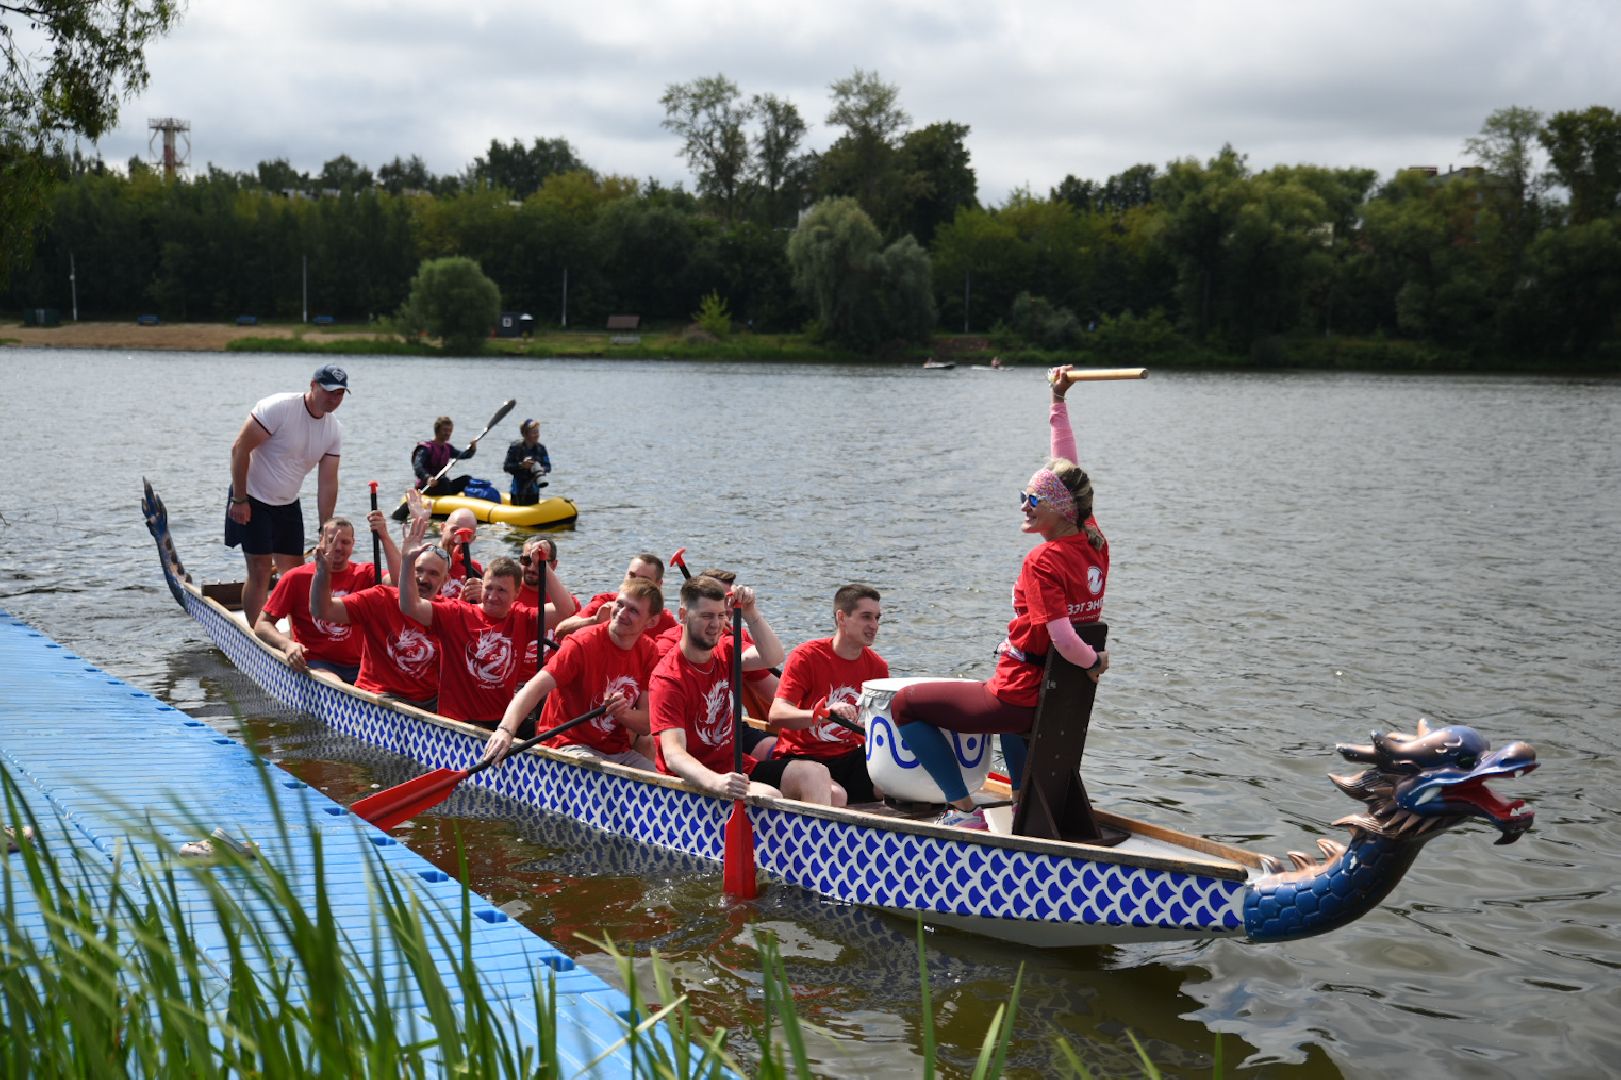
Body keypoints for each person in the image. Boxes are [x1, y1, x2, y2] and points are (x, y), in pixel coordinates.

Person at [890, 364, 1111, 829]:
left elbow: (1062, 636)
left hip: (1019, 695)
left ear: (1060, 509)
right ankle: (1020, 807)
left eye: (1032, 500)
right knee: (1011, 720)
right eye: (1023, 495)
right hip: (1052, 693)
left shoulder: (1043, 560)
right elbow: (1068, 468)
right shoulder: (1093, 539)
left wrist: (1093, 661)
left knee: (904, 705)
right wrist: (1058, 401)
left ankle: (962, 810)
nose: (1024, 506)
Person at [649, 576, 841, 805]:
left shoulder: (727, 651)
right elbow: (674, 754)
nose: (715, 624)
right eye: (706, 616)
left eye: (721, 615)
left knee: (816, 774)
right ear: (683, 615)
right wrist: (715, 782)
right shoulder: (668, 679)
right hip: (689, 783)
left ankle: (807, 829)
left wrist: (751, 613)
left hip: (734, 768)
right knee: (770, 796)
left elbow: (773, 656)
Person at [481, 577, 665, 769]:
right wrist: (505, 731)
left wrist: (624, 713)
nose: (621, 613)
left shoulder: (648, 651)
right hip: (565, 744)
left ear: (652, 621)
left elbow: (646, 725)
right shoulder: (582, 643)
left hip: (616, 751)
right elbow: (533, 689)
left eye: (633, 610)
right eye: (619, 604)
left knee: (656, 779)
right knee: (596, 771)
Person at [398, 533, 576, 725]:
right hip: (459, 723)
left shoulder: (522, 618)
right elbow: (410, 607)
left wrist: (543, 565)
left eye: (501, 590)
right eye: (489, 588)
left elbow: (566, 610)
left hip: (502, 719)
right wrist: (407, 561)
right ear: (481, 587)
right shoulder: (456, 613)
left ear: (517, 593)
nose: (492, 596)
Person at [226, 364, 349, 627]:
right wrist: (239, 498)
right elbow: (239, 449)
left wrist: (325, 528)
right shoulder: (279, 408)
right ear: (313, 385)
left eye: (339, 393)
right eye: (329, 391)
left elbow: (328, 482)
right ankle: (257, 634)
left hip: (287, 503)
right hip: (251, 496)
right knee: (260, 570)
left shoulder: (334, 430)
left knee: (296, 573)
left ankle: (299, 633)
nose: (334, 398)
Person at [309, 512, 448, 709]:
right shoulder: (379, 598)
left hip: (430, 701)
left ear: (445, 580)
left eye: (433, 574)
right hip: (379, 699)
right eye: (417, 570)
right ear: (407, 569)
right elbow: (322, 610)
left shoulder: (450, 610)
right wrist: (322, 573)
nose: (423, 579)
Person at [769, 584, 890, 805]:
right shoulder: (806, 656)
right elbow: (776, 714)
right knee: (836, 795)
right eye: (866, 617)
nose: (874, 625)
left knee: (900, 779)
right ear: (842, 617)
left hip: (848, 756)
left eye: (877, 618)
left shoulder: (878, 667)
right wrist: (823, 714)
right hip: (803, 756)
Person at [251, 514, 397, 682]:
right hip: (317, 661)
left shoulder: (366, 573)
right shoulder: (295, 577)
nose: (338, 547)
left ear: (353, 544)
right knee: (334, 683)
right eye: (331, 540)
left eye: (345, 542)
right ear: (320, 542)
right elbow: (262, 624)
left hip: (362, 662)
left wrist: (385, 537)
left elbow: (399, 582)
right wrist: (286, 645)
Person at [554, 553, 676, 640]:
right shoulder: (605, 603)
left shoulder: (665, 620)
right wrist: (594, 621)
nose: (635, 582)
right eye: (632, 575)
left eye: (643, 580)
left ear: (659, 584)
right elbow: (560, 631)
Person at [412, 416, 478, 495]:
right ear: (437, 430)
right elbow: (418, 467)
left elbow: (464, 455)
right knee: (444, 482)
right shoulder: (425, 448)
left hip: (442, 484)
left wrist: (472, 449)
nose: (448, 433)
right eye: (445, 430)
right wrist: (428, 478)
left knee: (466, 479)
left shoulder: (448, 448)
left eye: (450, 430)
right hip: (426, 486)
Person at [435, 507, 483, 601]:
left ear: (472, 539)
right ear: (442, 528)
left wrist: (482, 597)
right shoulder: (422, 561)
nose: (458, 539)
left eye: (467, 535)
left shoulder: (475, 569)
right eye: (454, 530)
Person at [503, 418, 551, 505]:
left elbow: (548, 467)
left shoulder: (541, 448)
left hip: (534, 491)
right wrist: (522, 465)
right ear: (525, 434)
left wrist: (539, 468)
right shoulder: (515, 447)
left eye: (537, 432)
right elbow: (506, 467)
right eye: (534, 432)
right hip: (518, 490)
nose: (537, 435)